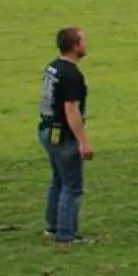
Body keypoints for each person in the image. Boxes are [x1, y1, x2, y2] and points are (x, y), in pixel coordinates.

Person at [38, 27, 94, 245]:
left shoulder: (53, 67)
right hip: (64, 136)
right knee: (72, 186)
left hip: (47, 129)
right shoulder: (72, 75)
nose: (86, 44)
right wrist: (83, 142)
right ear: (75, 45)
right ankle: (66, 234)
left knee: (58, 181)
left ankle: (52, 227)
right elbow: (71, 110)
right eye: (84, 40)